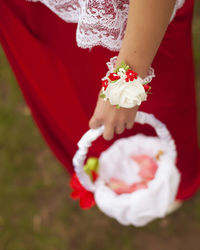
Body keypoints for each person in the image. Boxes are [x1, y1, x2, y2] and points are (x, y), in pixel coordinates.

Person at [0, 0, 199, 212]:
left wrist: (124, 81)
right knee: (66, 95)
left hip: (126, 20)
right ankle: (113, 175)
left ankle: (167, 180)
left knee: (156, 108)